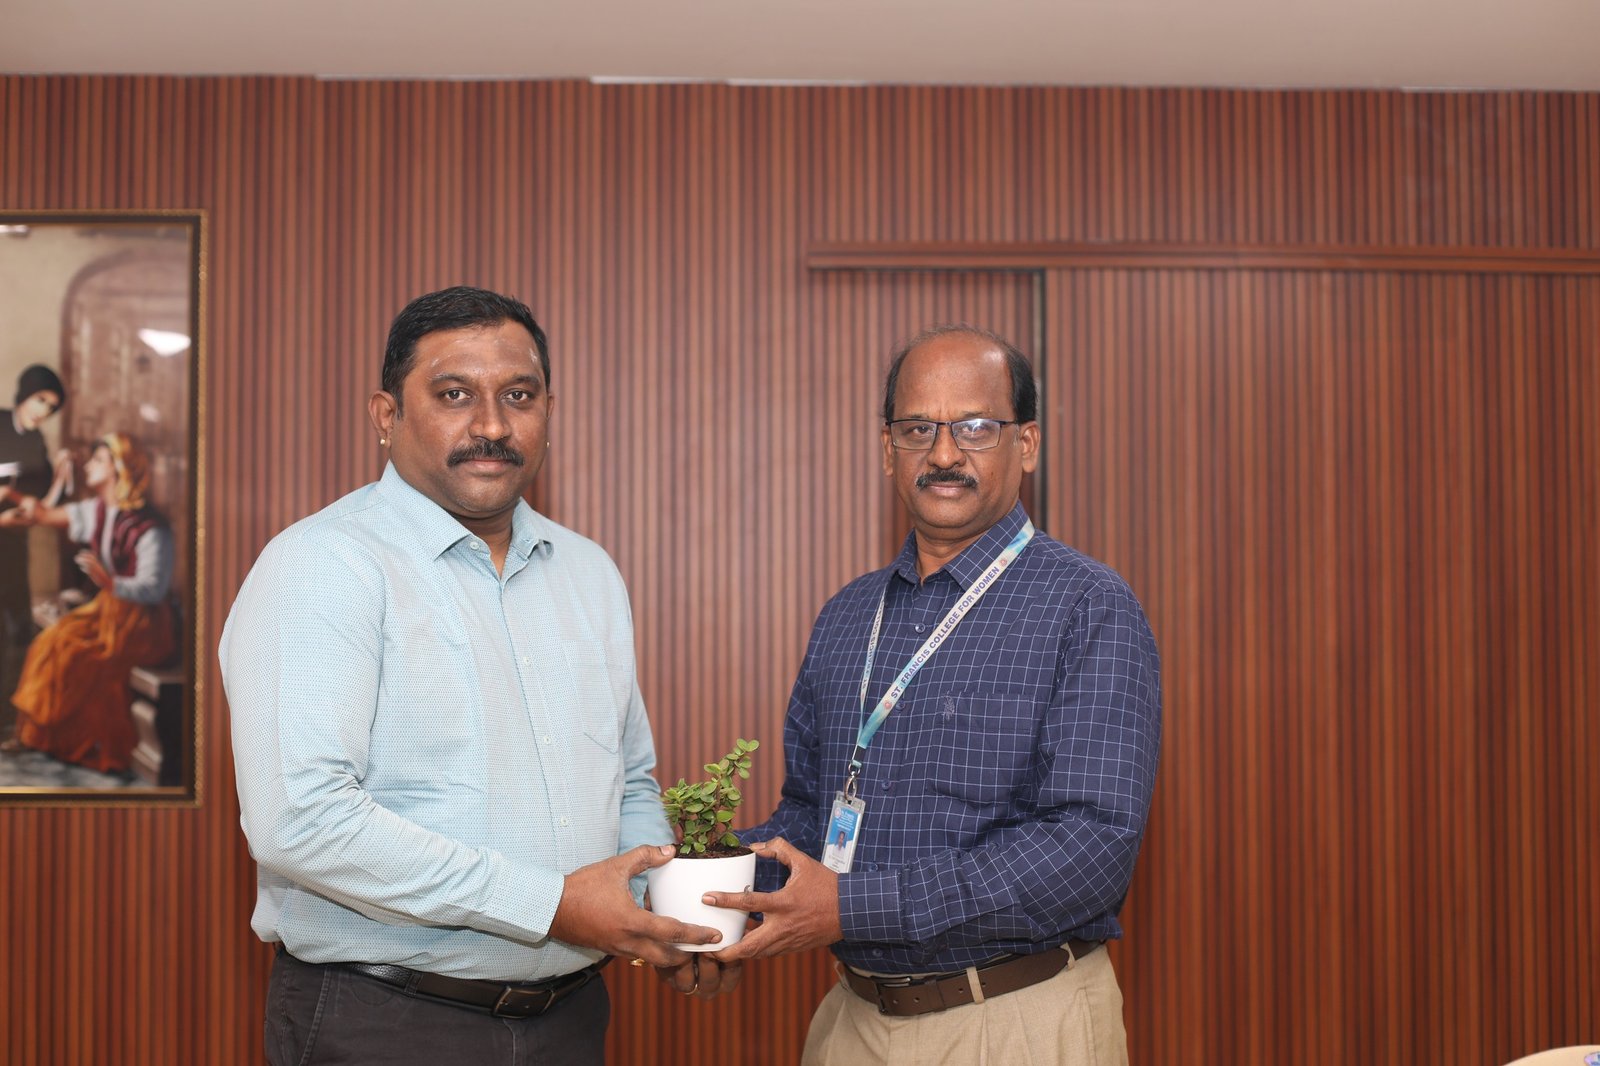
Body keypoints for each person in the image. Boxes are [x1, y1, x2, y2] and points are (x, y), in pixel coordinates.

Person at [220, 286, 730, 1066]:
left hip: (571, 1021)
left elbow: (628, 783)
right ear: (386, 416)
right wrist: (552, 906)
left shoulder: (589, 573)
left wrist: (660, 918)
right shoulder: (323, 566)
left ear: (549, 412)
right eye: (454, 395)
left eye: (518, 396)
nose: (492, 426)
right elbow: (302, 821)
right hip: (386, 1025)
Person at [706, 326, 1162, 1065]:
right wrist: (706, 903)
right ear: (888, 449)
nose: (944, 454)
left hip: (1015, 1021)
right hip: (852, 1022)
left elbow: (1089, 851)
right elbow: (811, 817)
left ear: (1027, 444)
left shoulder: (1087, 606)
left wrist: (850, 908)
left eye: (975, 427)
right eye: (918, 428)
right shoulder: (848, 616)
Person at [2, 431, 176, 772]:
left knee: (79, 655)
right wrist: (15, 493)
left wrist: (110, 582)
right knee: (48, 642)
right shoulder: (96, 511)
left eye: (98, 460)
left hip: (142, 622)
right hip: (108, 610)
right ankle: (40, 735)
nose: (88, 466)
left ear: (118, 468)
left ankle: (70, 741)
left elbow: (153, 590)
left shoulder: (150, 527)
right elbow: (43, 515)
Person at [0, 365, 68, 706]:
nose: (43, 411)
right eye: (40, 400)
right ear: (25, 394)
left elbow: (41, 506)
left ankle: (10, 713)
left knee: (18, 629)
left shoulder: (36, 441)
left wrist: (61, 476)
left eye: (51, 407)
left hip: (11, 549)